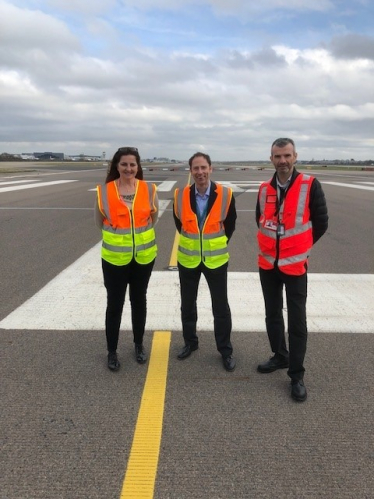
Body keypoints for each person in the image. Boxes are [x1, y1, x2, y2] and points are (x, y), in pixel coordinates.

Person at [256, 138, 328, 401]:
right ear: (271, 159)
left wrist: (301, 247)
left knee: (297, 322)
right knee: (272, 315)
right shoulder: (264, 188)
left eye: (287, 155)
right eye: (277, 156)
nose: (282, 161)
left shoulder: (310, 184)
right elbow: (260, 220)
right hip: (267, 265)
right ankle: (280, 355)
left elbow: (321, 222)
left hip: (295, 265)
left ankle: (296, 375)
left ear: (295, 157)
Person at [95, 147, 158, 371]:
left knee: (139, 301)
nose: (129, 168)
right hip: (114, 260)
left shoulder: (149, 189)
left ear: (138, 167)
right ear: (116, 166)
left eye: (133, 164)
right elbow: (99, 221)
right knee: (115, 305)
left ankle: (138, 345)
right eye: (124, 164)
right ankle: (112, 351)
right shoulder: (104, 191)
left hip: (143, 257)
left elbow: (153, 217)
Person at [173, 152, 237, 371]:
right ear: (190, 171)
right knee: (187, 305)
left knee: (220, 307)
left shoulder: (226, 194)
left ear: (211, 168)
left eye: (203, 168)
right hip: (188, 259)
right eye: (195, 168)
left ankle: (225, 350)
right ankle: (190, 343)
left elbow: (230, 225)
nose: (200, 172)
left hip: (215, 259)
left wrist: (213, 244)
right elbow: (179, 223)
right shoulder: (180, 195)